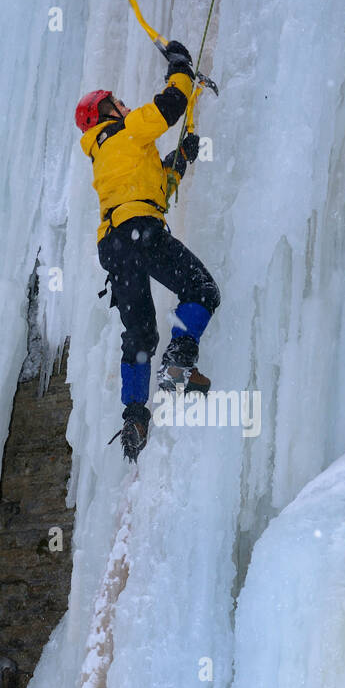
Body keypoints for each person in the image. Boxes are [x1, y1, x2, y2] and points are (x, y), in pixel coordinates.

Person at [75, 40, 220, 461]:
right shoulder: (127, 130)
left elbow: (155, 186)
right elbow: (170, 105)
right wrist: (180, 67)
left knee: (139, 333)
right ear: (106, 113)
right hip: (141, 230)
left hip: (114, 245)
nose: (123, 104)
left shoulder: (107, 153)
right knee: (203, 291)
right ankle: (178, 361)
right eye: (116, 102)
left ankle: (135, 416)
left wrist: (180, 160)